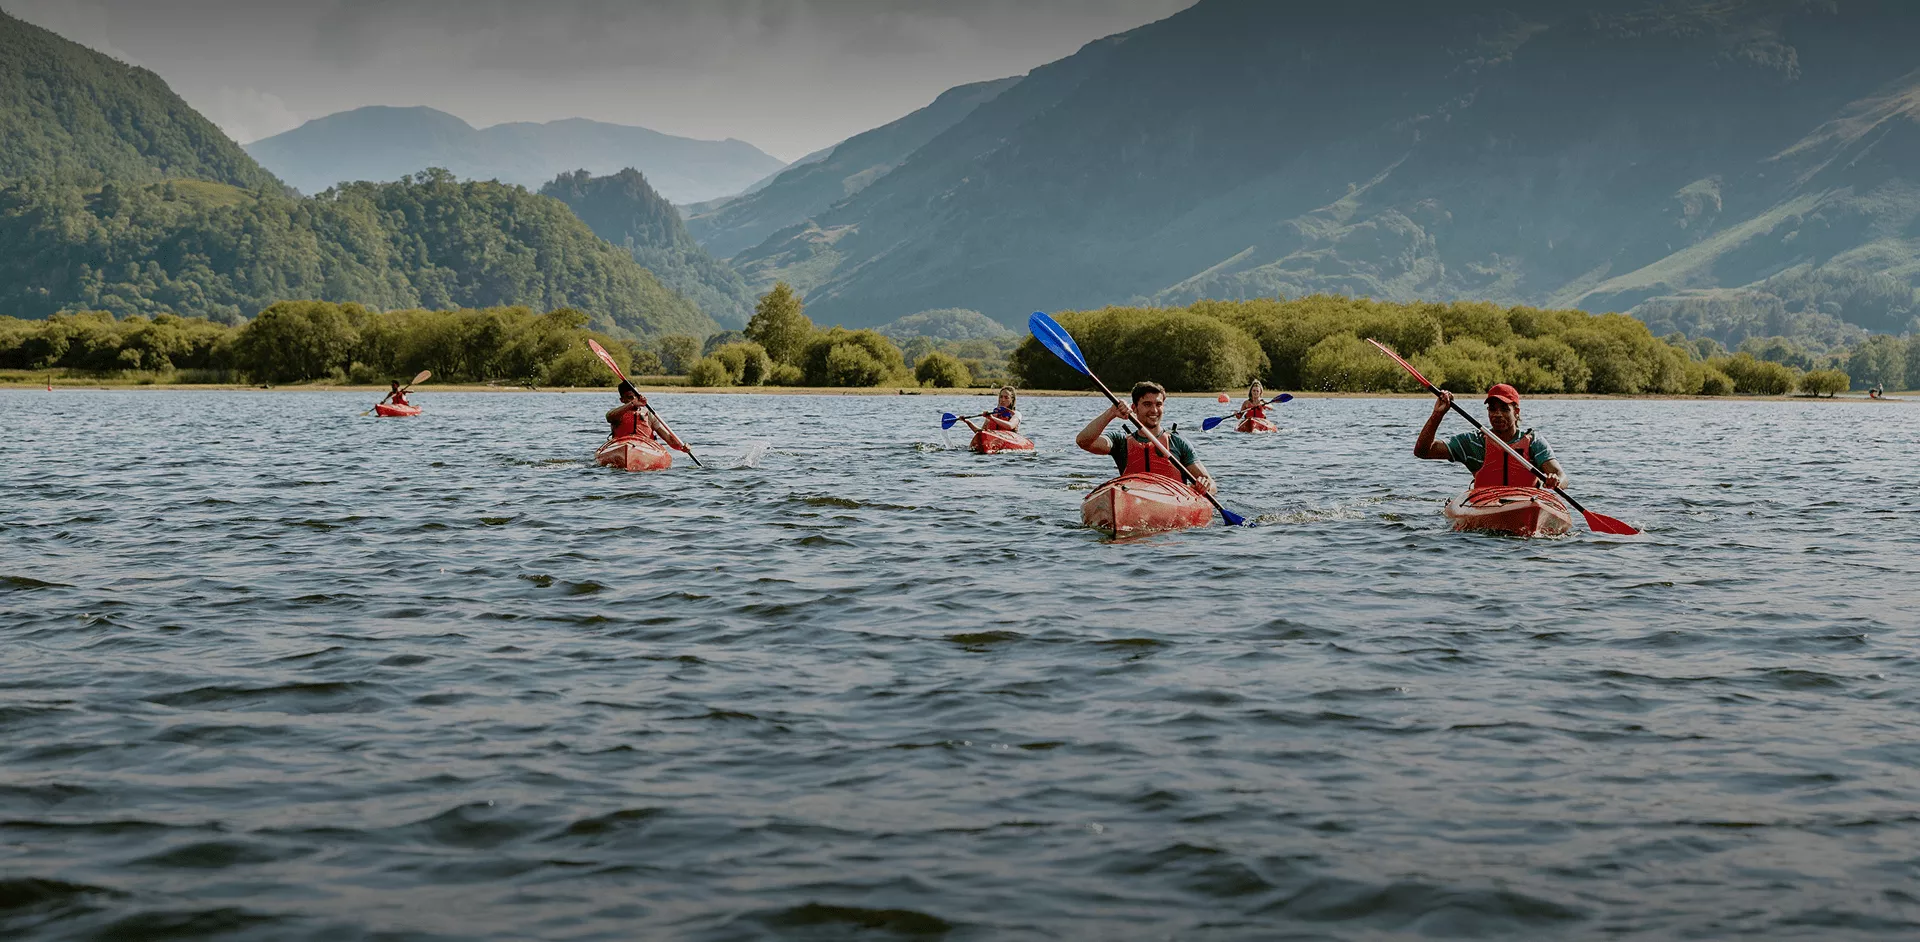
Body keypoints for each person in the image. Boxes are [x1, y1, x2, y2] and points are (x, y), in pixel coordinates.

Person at [1414, 383, 1566, 490]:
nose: (1497, 414)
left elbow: (1562, 476)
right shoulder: (1474, 442)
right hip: (1486, 504)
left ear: (1516, 412)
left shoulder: (1534, 441)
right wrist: (1437, 414)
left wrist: (1556, 481)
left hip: (1527, 503)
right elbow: (1423, 451)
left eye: (1504, 409)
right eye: (1492, 409)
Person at [1076, 380, 1215, 493]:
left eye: (1158, 404)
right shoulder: (1120, 442)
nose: (1154, 410)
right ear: (1134, 408)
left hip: (1172, 503)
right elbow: (1083, 441)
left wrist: (1204, 486)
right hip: (1134, 501)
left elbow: (1212, 486)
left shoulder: (1178, 442)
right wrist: (1111, 413)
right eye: (1147, 404)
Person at [606, 381, 689, 452]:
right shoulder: (616, 413)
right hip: (621, 447)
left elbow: (668, 438)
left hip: (645, 449)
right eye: (630, 397)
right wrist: (632, 404)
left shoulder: (649, 414)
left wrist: (681, 446)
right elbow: (609, 417)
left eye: (637, 396)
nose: (635, 399)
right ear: (622, 400)